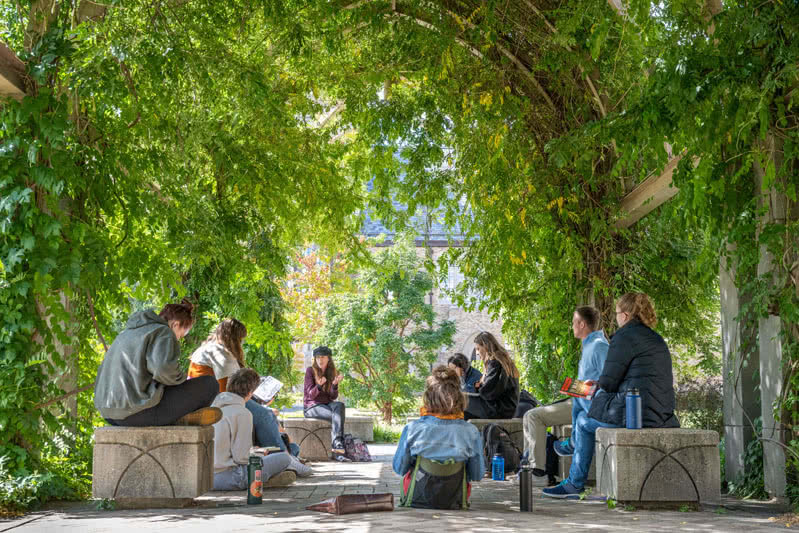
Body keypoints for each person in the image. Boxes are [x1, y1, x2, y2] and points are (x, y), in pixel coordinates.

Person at [543, 293, 680, 499]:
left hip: (636, 414)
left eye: (617, 314)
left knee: (581, 420)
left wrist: (590, 387)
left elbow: (609, 382)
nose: (615, 318)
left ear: (625, 315)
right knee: (581, 399)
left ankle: (574, 483)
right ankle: (571, 451)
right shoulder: (655, 338)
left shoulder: (624, 337)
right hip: (662, 414)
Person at [94, 301, 220, 427]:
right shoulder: (164, 331)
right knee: (210, 384)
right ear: (175, 324)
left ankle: (179, 418)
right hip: (136, 413)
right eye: (180, 335)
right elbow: (163, 370)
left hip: (108, 414)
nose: (178, 340)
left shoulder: (126, 333)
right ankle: (181, 419)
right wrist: (182, 380)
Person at [188, 319, 299, 457]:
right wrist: (257, 402)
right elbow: (231, 393)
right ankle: (284, 457)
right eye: (241, 340)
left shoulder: (208, 348)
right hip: (216, 402)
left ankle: (287, 452)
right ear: (234, 338)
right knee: (266, 415)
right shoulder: (221, 354)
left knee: (267, 413)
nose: (242, 344)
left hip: (208, 400)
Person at [393, 365, 485, 509]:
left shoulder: (412, 429)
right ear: (459, 397)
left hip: (417, 497)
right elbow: (477, 474)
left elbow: (399, 468)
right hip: (456, 499)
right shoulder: (471, 432)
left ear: (428, 398)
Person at [212, 368, 311, 491]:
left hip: (209, 476)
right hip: (231, 477)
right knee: (283, 458)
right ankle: (267, 478)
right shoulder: (243, 413)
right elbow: (241, 458)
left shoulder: (214, 408)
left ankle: (273, 473)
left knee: (289, 449)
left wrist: (255, 452)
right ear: (250, 392)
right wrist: (257, 455)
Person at [463, 332, 519, 420]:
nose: (477, 353)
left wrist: (478, 386)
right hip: (506, 409)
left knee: (460, 401)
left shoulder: (495, 363)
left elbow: (487, 392)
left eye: (478, 349)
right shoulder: (502, 361)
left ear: (485, 347)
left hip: (499, 409)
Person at [303, 346, 346, 456]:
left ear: (328, 359)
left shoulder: (332, 372)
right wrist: (319, 385)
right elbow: (310, 395)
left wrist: (335, 385)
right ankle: (337, 443)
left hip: (327, 404)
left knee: (339, 406)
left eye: (322, 357)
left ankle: (337, 442)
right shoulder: (310, 371)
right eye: (317, 357)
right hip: (311, 407)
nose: (320, 360)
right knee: (336, 415)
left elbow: (332, 397)